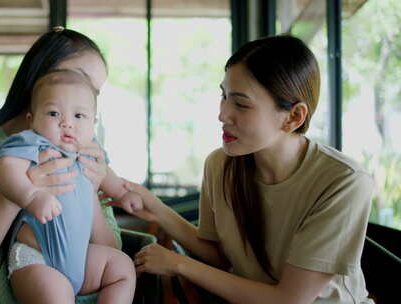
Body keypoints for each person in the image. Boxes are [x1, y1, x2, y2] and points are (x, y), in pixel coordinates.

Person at [113, 35, 375, 303]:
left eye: (240, 104)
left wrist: (179, 264)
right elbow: (221, 256)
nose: (222, 114)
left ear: (294, 117)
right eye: (223, 96)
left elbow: (288, 300)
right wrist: (157, 209)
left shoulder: (343, 181)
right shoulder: (220, 165)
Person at [0, 27, 124, 304]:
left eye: (96, 91)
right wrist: (15, 193)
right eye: (79, 78)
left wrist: (90, 191)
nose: (84, 94)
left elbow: (110, 253)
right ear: (39, 78)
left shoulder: (87, 154)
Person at [0, 69, 139, 303]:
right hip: (37, 256)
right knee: (56, 295)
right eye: (53, 113)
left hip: (80, 256)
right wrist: (30, 196)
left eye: (79, 116)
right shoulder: (33, 143)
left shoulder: (90, 151)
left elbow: (106, 176)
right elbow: (4, 168)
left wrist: (122, 194)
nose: (67, 124)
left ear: (94, 122)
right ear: (32, 120)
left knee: (122, 268)